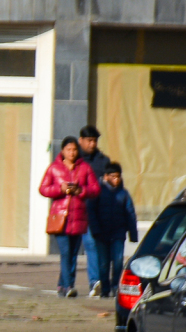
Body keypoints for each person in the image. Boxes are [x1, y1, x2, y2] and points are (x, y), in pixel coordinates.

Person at [40, 136, 101, 298]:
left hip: (79, 217)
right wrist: (60, 189)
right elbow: (43, 189)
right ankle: (68, 286)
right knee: (66, 252)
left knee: (73, 254)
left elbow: (95, 189)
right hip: (60, 218)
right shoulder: (54, 168)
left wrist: (80, 191)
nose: (72, 153)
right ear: (62, 151)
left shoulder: (85, 168)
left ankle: (62, 285)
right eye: (69, 150)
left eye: (74, 149)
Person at [87, 162, 138, 298]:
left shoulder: (124, 193)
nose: (116, 179)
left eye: (118, 176)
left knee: (118, 261)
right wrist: (95, 230)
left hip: (118, 233)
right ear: (106, 177)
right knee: (103, 264)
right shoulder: (97, 191)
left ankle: (116, 286)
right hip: (101, 233)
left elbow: (130, 214)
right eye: (113, 176)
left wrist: (133, 234)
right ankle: (105, 289)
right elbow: (91, 212)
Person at [77, 125, 111, 296]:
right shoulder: (75, 160)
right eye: (89, 141)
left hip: (98, 209)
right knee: (73, 248)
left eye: (94, 141)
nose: (92, 144)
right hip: (77, 209)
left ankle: (98, 282)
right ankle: (66, 284)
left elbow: (111, 183)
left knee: (95, 245)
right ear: (80, 141)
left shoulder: (103, 161)